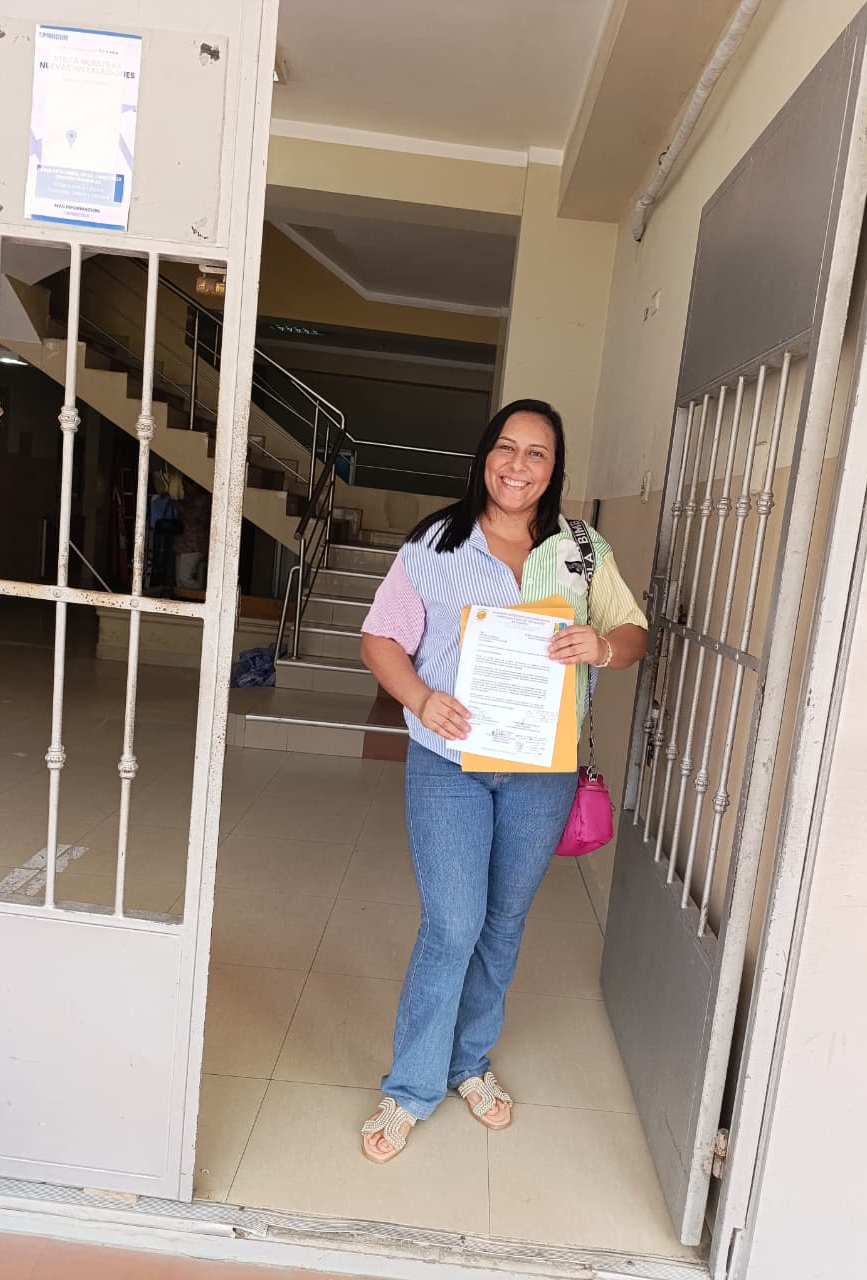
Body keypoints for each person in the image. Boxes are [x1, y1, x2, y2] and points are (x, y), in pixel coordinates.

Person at [358, 398, 647, 1163]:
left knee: (503, 922)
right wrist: (420, 697)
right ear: (484, 456)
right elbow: (380, 639)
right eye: (506, 448)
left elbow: (632, 631)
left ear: (554, 468)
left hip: (540, 772)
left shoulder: (580, 550)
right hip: (448, 763)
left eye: (536, 453)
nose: (518, 466)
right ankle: (411, 1086)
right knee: (452, 922)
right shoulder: (435, 543)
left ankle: (468, 1062)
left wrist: (601, 647)